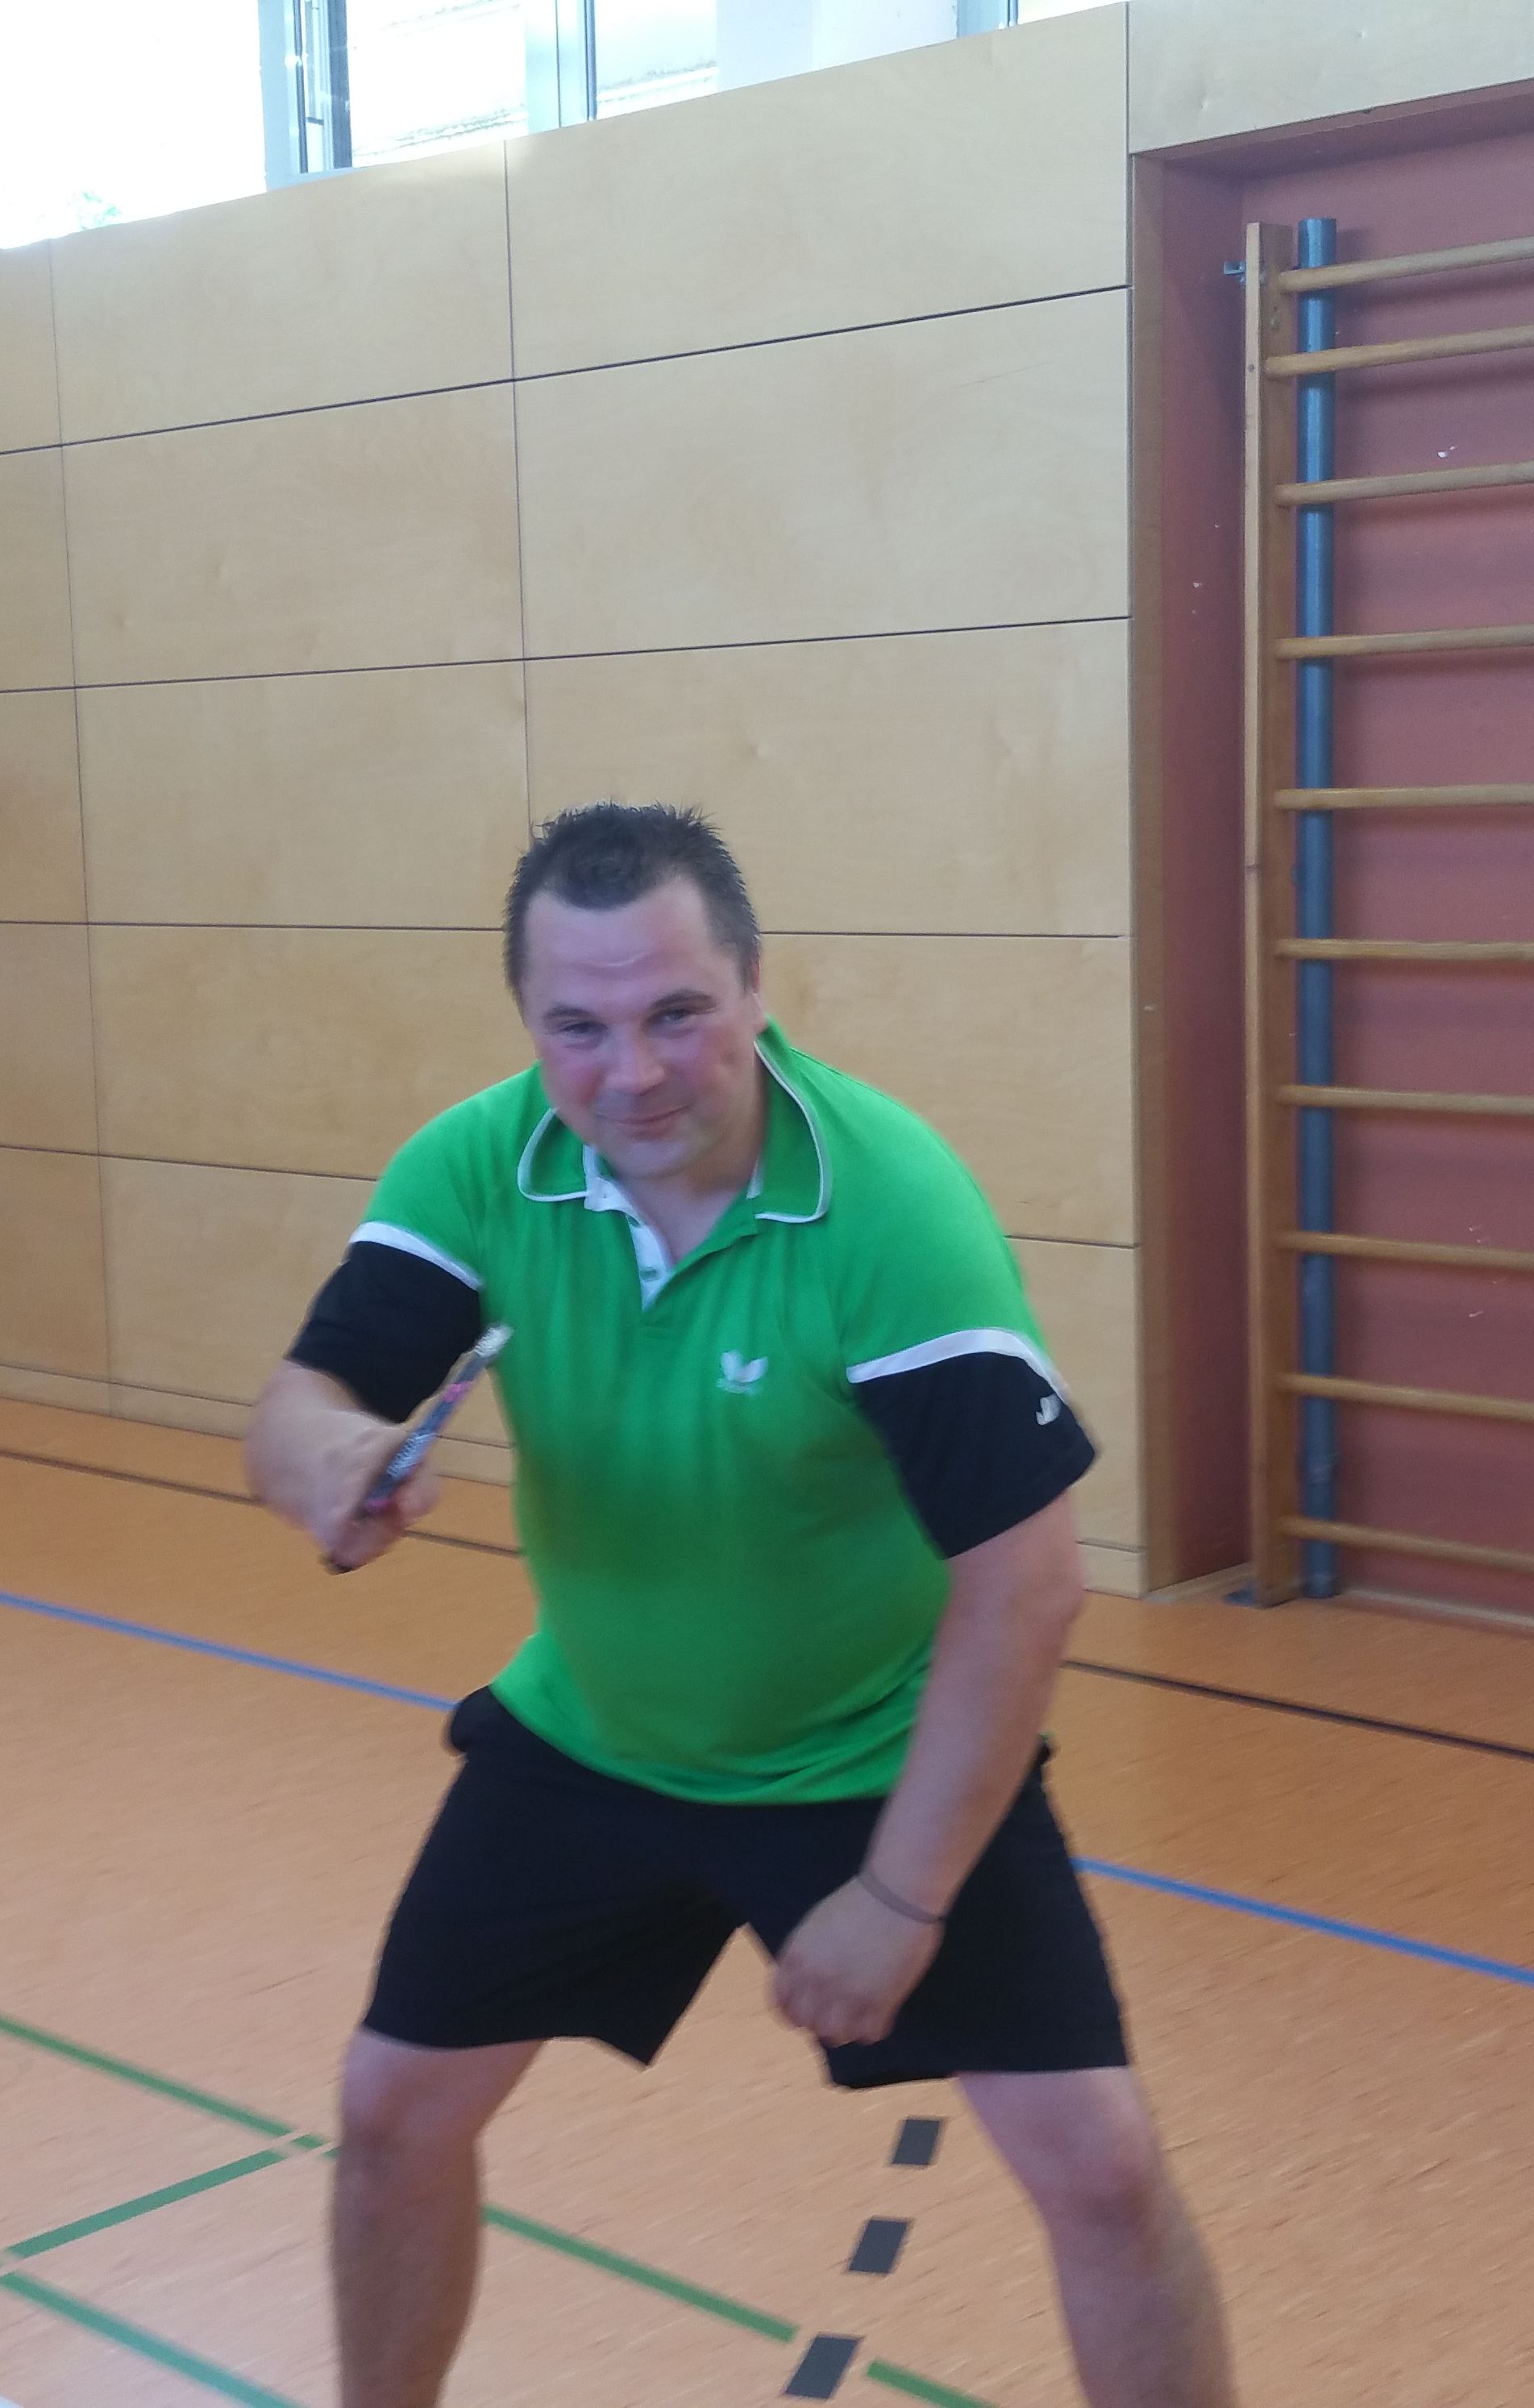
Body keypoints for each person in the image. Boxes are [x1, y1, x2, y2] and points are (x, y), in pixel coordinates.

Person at [245, 804, 1239, 2407]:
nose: (631, 1071)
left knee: (1103, 2173)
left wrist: (901, 1898)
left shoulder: (889, 1209)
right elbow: (298, 1404)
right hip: (594, 1737)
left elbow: (1027, 1586)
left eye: (676, 1014)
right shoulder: (479, 1164)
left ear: (757, 992)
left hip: (868, 1753)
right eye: (578, 1027)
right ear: (528, 1023)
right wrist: (331, 1462)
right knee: (389, 2114)